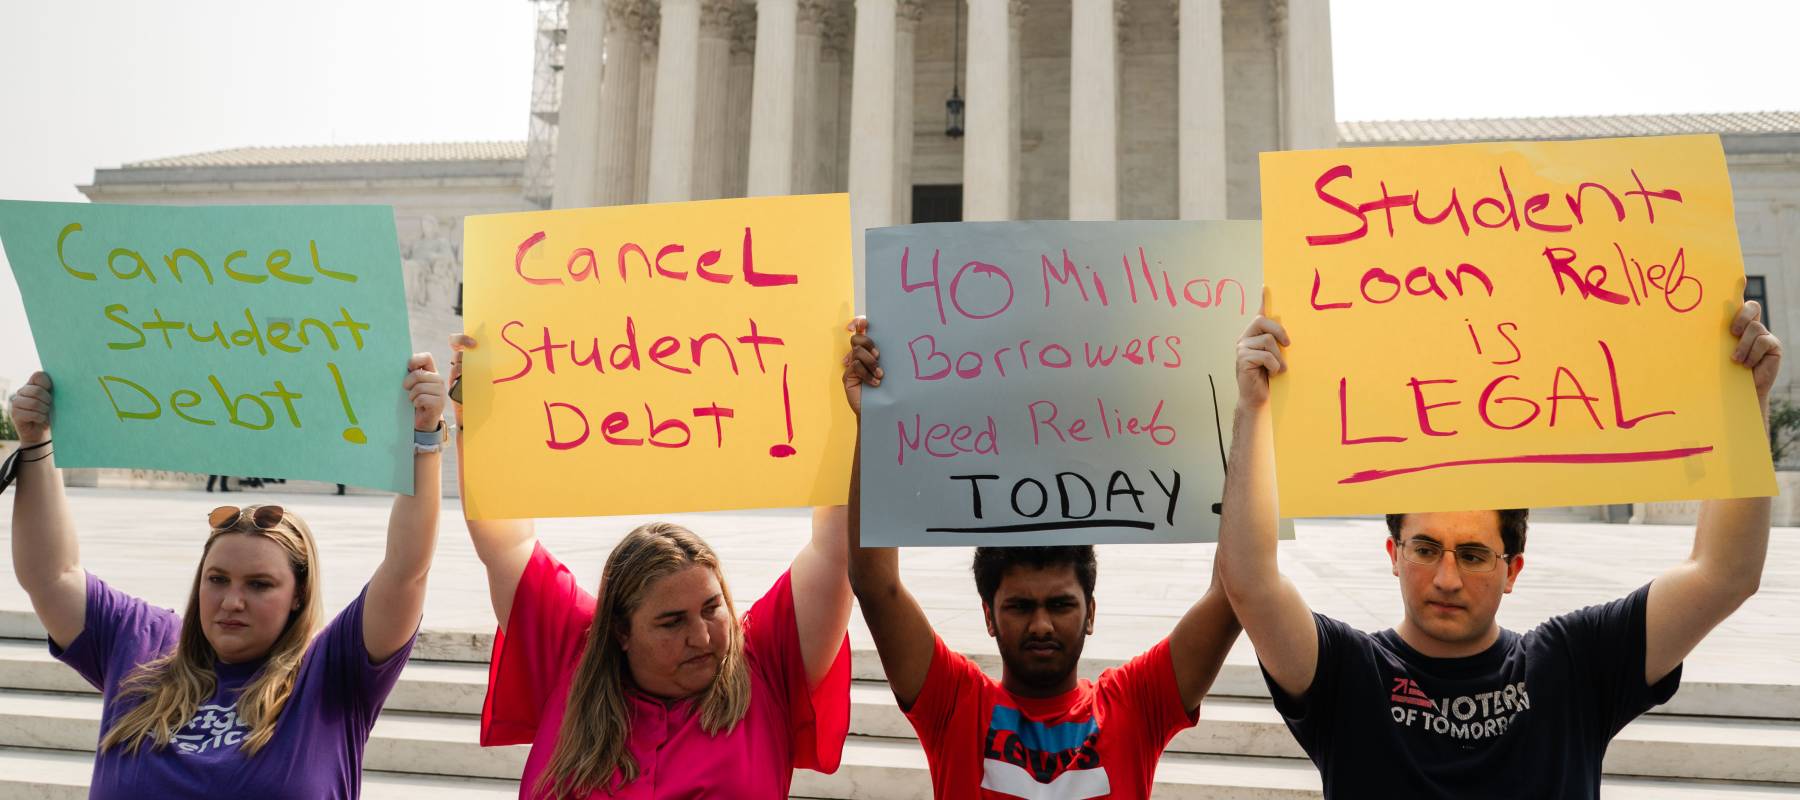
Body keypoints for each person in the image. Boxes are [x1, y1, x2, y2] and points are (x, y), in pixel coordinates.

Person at [1221, 295, 1780, 798]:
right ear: (1393, 556)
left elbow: (1723, 575)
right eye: (1424, 548)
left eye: (1472, 555)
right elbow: (1249, 581)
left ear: (1512, 568)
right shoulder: (1347, 673)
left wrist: (1744, 401)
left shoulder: (1573, 665)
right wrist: (1254, 409)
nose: (1446, 578)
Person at [5, 354, 448, 799]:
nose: (232, 601)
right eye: (217, 579)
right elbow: (51, 574)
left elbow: (406, 570)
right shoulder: (140, 645)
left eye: (259, 584)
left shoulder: (331, 673)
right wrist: (36, 443)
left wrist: (425, 438)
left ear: (299, 594)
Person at [841, 318, 1242, 799]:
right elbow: (874, 584)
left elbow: (1234, 592)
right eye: (1020, 606)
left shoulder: (1136, 704)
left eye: (1060, 604)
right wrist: (876, 422)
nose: (1042, 625)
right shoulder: (955, 704)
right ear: (988, 615)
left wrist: (1253, 416)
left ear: (1090, 612)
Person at [447, 331, 854, 800]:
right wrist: (474, 414)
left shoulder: (765, 662)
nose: (702, 637)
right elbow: (506, 543)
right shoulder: (573, 651)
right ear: (620, 631)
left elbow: (833, 550)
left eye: (711, 608)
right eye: (670, 621)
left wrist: (847, 412)